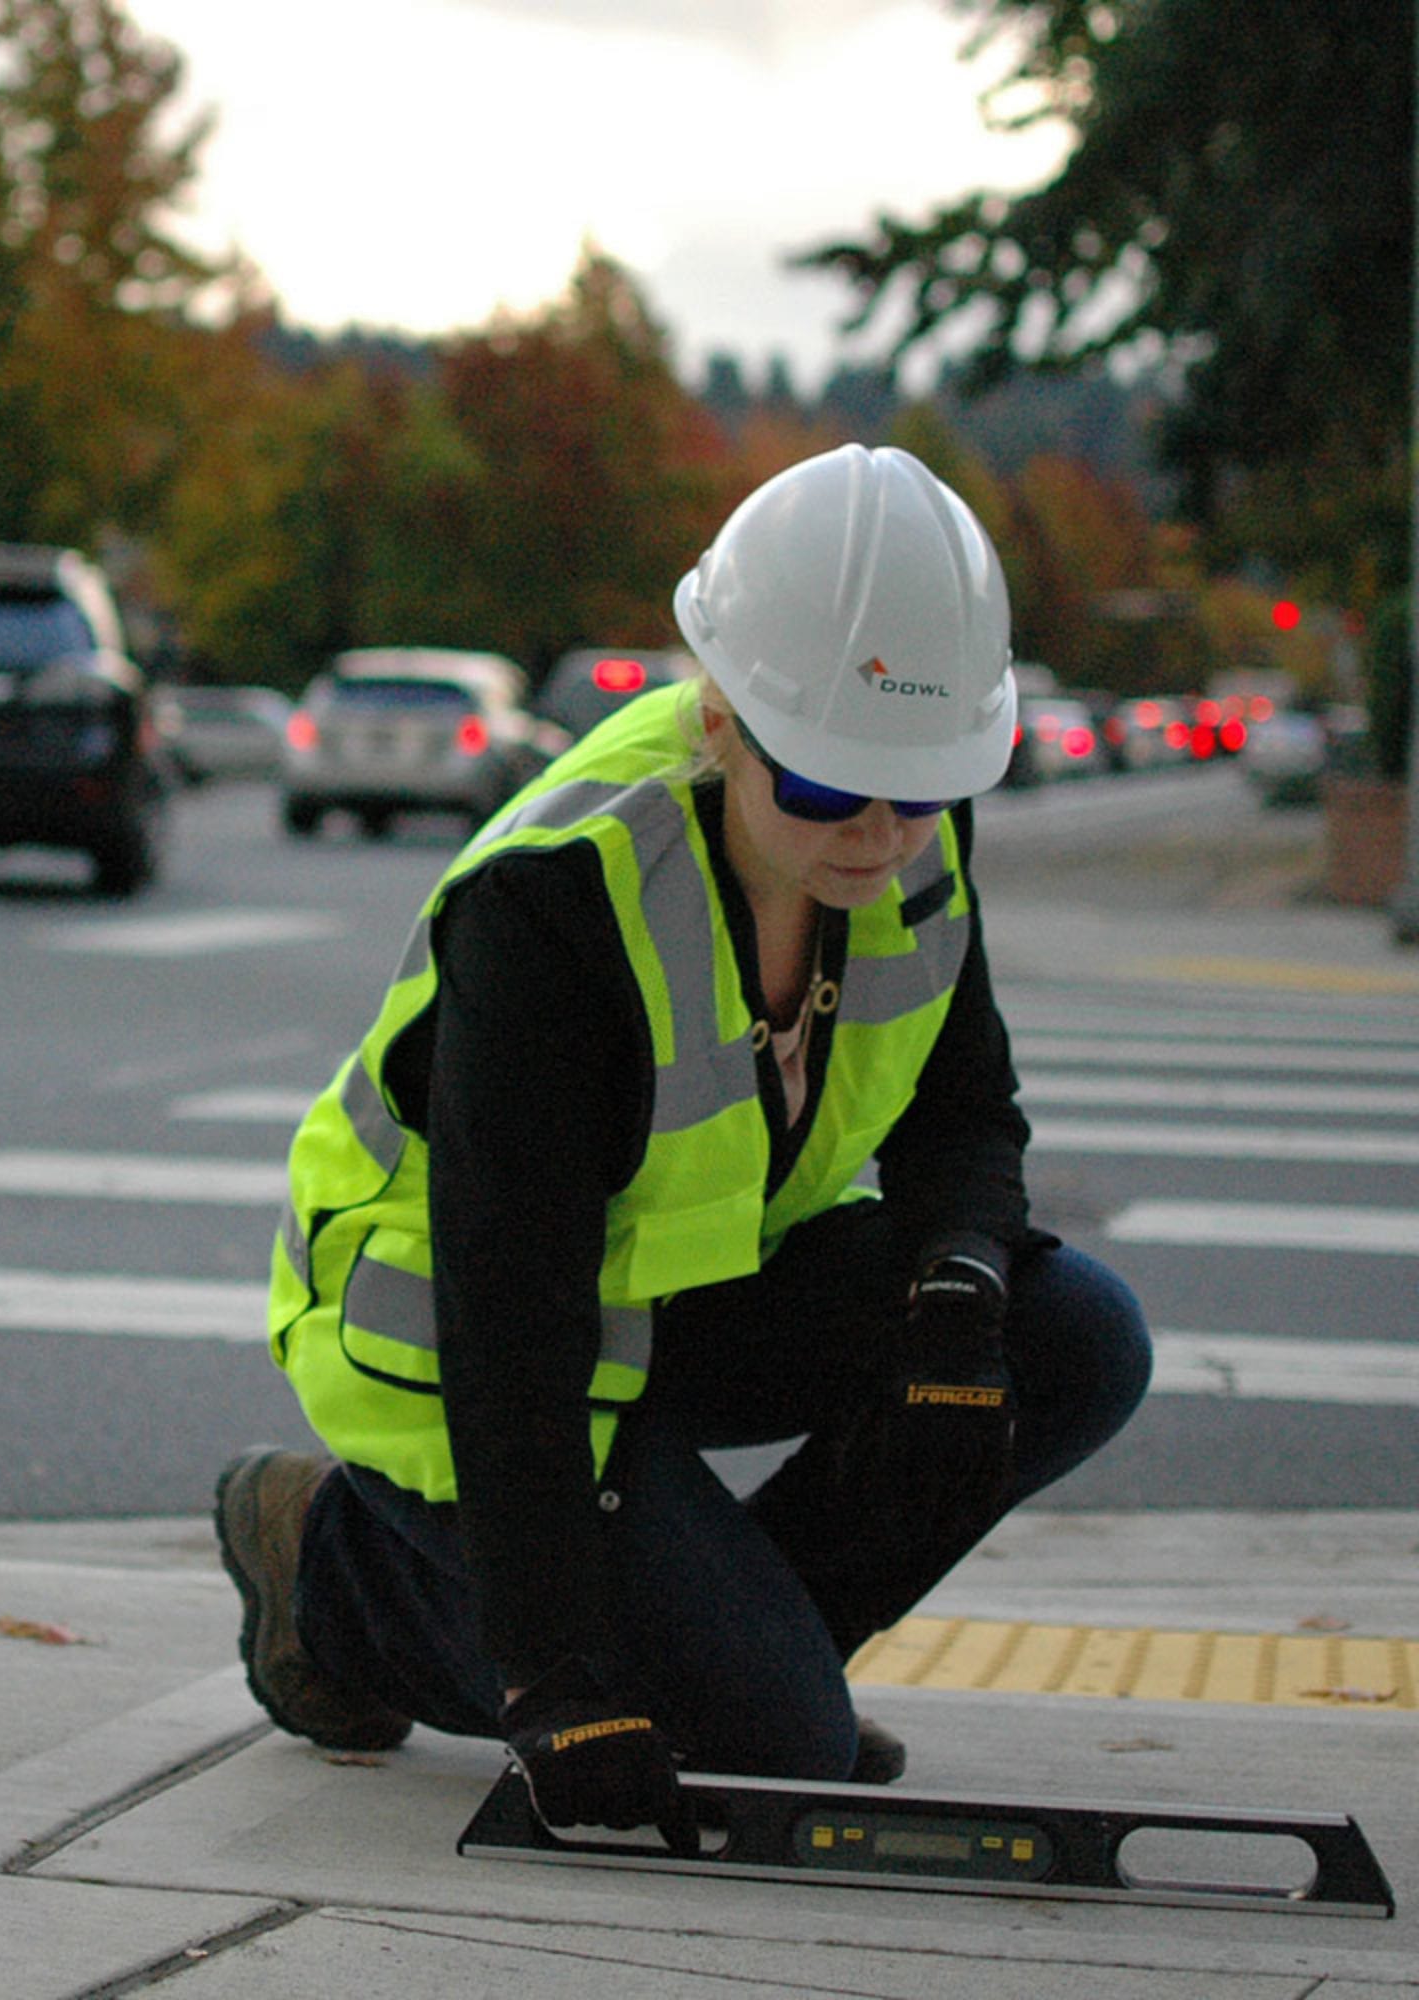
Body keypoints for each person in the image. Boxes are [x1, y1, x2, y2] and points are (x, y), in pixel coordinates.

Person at [214, 444, 1152, 1853]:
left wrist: (958, 1292)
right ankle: (332, 1570)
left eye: (920, 791)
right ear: (721, 721)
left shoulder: (907, 832)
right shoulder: (557, 908)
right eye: (829, 791)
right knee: (772, 1742)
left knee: (1072, 1336)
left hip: (682, 1292)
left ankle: (738, 1670)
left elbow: (967, 1111)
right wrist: (553, 1674)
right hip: (460, 1337)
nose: (880, 835)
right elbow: (511, 1314)